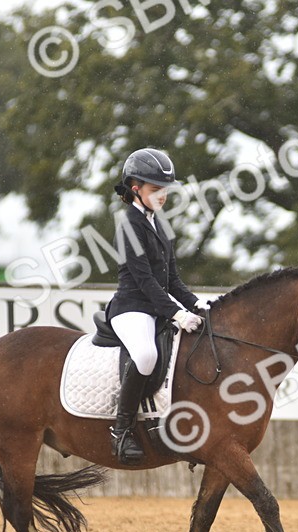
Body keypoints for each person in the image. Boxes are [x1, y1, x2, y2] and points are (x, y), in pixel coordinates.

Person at [106, 147, 206, 463]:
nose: (162, 196)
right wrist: (177, 313)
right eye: (155, 189)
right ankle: (120, 431)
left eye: (165, 190)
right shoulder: (128, 224)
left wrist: (198, 304)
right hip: (131, 307)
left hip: (155, 306)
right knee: (147, 355)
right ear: (135, 187)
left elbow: (172, 280)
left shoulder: (160, 225)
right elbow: (146, 280)